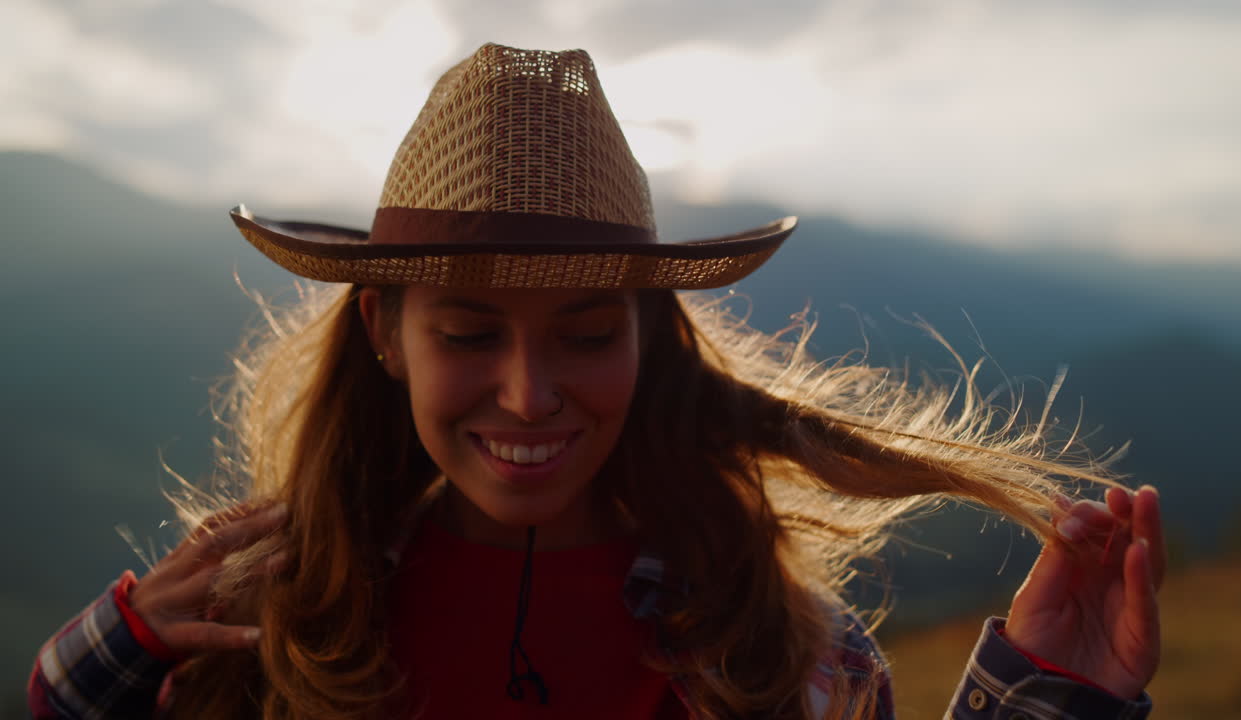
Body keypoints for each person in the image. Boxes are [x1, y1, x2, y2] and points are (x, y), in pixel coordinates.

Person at [28, 43, 1163, 719]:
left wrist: (1043, 693)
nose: (527, 396)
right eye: (470, 334)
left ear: (648, 338)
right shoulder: (263, 626)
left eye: (582, 336)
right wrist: (118, 650)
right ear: (383, 331)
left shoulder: (790, 660)